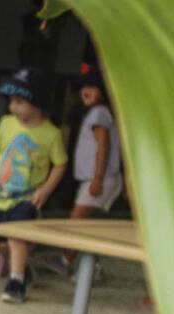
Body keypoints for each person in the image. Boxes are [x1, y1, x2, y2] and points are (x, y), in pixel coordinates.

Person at [0, 68, 68, 304]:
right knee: (5, 241)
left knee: (16, 237)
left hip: (26, 198)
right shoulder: (6, 123)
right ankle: (19, 270)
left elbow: (60, 165)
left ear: (37, 102)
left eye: (19, 102)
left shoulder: (51, 134)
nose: (12, 107)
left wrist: (45, 190)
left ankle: (16, 283)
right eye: (11, 101)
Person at [64, 64, 122, 269]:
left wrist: (97, 178)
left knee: (76, 221)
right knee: (87, 224)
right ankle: (93, 266)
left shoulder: (99, 113)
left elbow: (103, 147)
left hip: (100, 178)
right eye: (83, 87)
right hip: (99, 178)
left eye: (92, 87)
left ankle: (66, 261)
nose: (85, 91)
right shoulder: (98, 113)